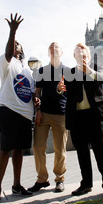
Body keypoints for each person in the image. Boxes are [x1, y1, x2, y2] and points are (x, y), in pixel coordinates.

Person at [0, 13, 40, 202]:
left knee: (19, 150)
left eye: (19, 43)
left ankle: (17, 185)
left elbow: (31, 91)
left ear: (23, 50)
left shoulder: (28, 70)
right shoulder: (6, 62)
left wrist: (36, 100)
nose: (16, 44)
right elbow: (8, 51)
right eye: (14, 43)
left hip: (25, 114)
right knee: (5, 148)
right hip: (7, 109)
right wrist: (12, 32)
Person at [58, 43, 103, 198]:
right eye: (77, 51)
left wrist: (87, 70)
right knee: (82, 152)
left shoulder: (97, 67)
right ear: (74, 56)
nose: (80, 53)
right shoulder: (69, 73)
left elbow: (102, 79)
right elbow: (63, 89)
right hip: (77, 117)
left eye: (83, 51)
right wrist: (59, 88)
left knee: (100, 151)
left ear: (87, 56)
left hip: (94, 115)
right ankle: (86, 184)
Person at [28, 42, 69, 193]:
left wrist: (62, 90)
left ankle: (60, 179)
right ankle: (42, 179)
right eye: (50, 47)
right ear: (48, 53)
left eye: (56, 47)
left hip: (61, 114)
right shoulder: (42, 70)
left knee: (60, 149)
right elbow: (37, 92)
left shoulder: (69, 71)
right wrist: (37, 109)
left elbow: (72, 93)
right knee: (38, 147)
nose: (53, 48)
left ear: (62, 52)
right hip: (43, 113)